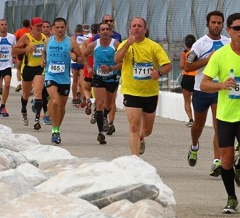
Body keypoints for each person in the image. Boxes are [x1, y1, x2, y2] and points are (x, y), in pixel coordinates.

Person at [201, 12, 240, 214]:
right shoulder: (220, 55)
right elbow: (204, 84)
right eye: (236, 28)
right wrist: (222, 85)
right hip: (226, 116)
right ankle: (231, 197)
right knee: (225, 160)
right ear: (228, 30)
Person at [115, 17, 172, 156]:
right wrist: (127, 44)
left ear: (145, 30)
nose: (136, 28)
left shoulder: (154, 46)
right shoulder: (124, 44)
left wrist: (159, 73)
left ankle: (141, 138)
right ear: (130, 29)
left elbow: (168, 65)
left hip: (149, 93)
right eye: (133, 26)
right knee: (134, 126)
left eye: (139, 26)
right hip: (131, 91)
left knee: (147, 130)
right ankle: (136, 160)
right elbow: (117, 59)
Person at [184, 11, 230, 177]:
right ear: (208, 24)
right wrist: (209, 59)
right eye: (213, 22)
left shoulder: (228, 42)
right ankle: (194, 145)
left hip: (220, 89)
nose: (216, 25)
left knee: (219, 125)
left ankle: (216, 161)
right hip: (201, 89)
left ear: (223, 25)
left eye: (219, 23)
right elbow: (188, 67)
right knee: (198, 125)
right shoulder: (199, 44)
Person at [42, 17, 83, 144]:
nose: (59, 30)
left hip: (64, 79)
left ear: (65, 27)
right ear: (53, 28)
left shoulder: (71, 42)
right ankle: (54, 130)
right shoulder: (48, 41)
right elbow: (44, 53)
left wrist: (75, 57)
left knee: (61, 106)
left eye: (62, 27)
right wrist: (43, 59)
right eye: (57, 27)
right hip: (50, 76)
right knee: (54, 102)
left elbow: (81, 58)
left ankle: (57, 129)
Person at [83, 22, 121, 145]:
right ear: (98, 32)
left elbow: (124, 62)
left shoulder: (116, 45)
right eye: (102, 29)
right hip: (98, 78)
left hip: (112, 78)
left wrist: (111, 68)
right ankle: (101, 133)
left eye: (107, 29)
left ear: (110, 32)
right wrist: (88, 68)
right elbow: (83, 55)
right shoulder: (94, 44)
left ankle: (101, 115)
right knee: (99, 103)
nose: (105, 31)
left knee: (109, 105)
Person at [12, 17, 46, 130]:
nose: (40, 28)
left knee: (38, 93)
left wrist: (45, 59)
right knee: (26, 94)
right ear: (32, 27)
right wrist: (26, 50)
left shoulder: (45, 38)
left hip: (39, 69)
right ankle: (23, 110)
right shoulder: (26, 38)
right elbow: (14, 50)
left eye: (41, 26)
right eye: (38, 26)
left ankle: (37, 119)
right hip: (28, 68)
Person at [179, 34, 196, 127]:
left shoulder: (184, 52)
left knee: (187, 100)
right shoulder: (196, 51)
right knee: (196, 100)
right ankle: (198, 119)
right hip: (196, 77)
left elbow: (181, 66)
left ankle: (191, 119)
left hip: (187, 77)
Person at [14, 19, 31, 92]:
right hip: (28, 52)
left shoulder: (19, 31)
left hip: (21, 51)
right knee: (30, 68)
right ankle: (30, 87)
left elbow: (14, 38)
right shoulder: (30, 31)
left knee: (18, 68)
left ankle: (19, 83)